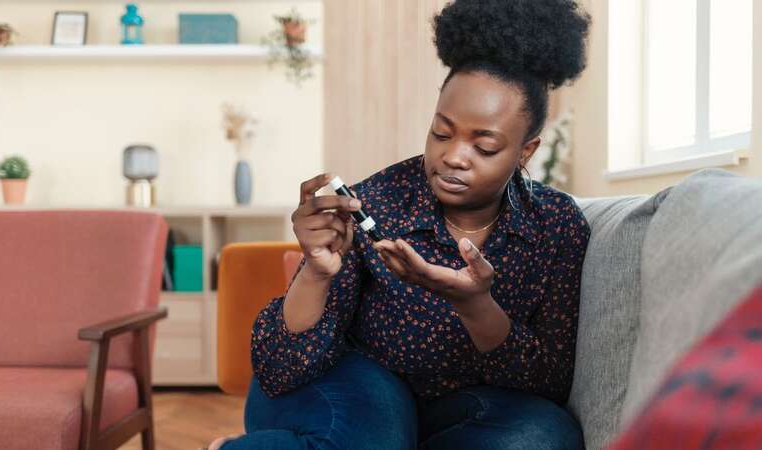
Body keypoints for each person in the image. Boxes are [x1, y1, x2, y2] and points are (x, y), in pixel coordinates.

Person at [207, 0, 592, 448]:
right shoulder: (373, 203)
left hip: (458, 407)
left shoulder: (557, 226)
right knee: (380, 436)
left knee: (544, 438)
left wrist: (476, 306)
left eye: (484, 147)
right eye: (441, 132)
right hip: (348, 385)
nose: (453, 156)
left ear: (526, 151)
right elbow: (281, 367)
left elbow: (548, 382)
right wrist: (315, 273)